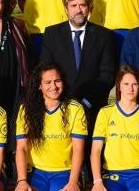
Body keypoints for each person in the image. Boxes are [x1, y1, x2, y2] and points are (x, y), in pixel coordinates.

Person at [40, 0, 119, 127]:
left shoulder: (104, 36)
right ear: (66, 8)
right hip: (59, 106)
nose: (78, 10)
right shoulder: (52, 34)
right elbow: (46, 71)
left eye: (82, 5)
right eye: (73, 6)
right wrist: (60, 101)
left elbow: (108, 75)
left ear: (89, 8)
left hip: (92, 108)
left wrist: (86, 102)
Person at [15, 63, 89, 191]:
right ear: (39, 85)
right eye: (48, 82)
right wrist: (22, 181)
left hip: (64, 172)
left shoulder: (75, 108)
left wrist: (73, 182)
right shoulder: (26, 109)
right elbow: (21, 148)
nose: (53, 86)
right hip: (35, 172)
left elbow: (78, 149)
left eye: (57, 81)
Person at [91, 65, 139, 191]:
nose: (130, 88)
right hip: (113, 174)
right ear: (119, 86)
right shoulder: (105, 112)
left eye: (134, 84)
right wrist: (97, 182)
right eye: (126, 84)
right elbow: (96, 150)